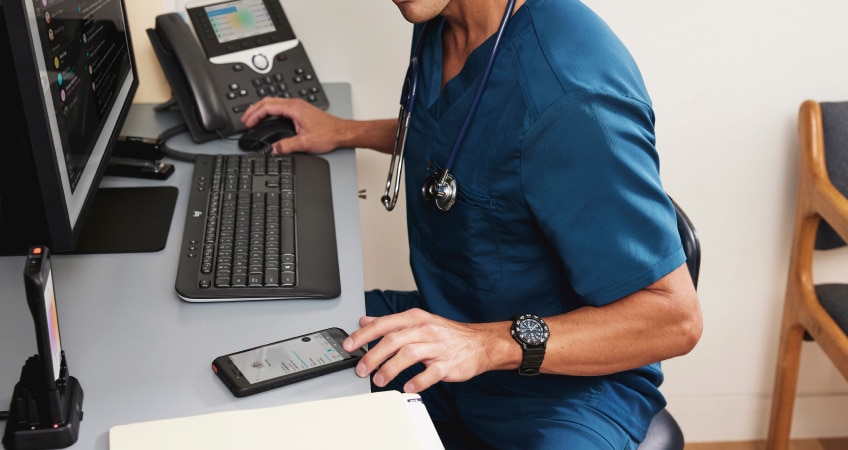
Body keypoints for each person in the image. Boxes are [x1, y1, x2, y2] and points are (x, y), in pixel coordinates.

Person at [240, 0, 703, 448]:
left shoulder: (569, 92)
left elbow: (675, 319)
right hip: (452, 329)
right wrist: (343, 131)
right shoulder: (440, 19)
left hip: (567, 390)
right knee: (261, 346)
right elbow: (463, 141)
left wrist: (484, 345)